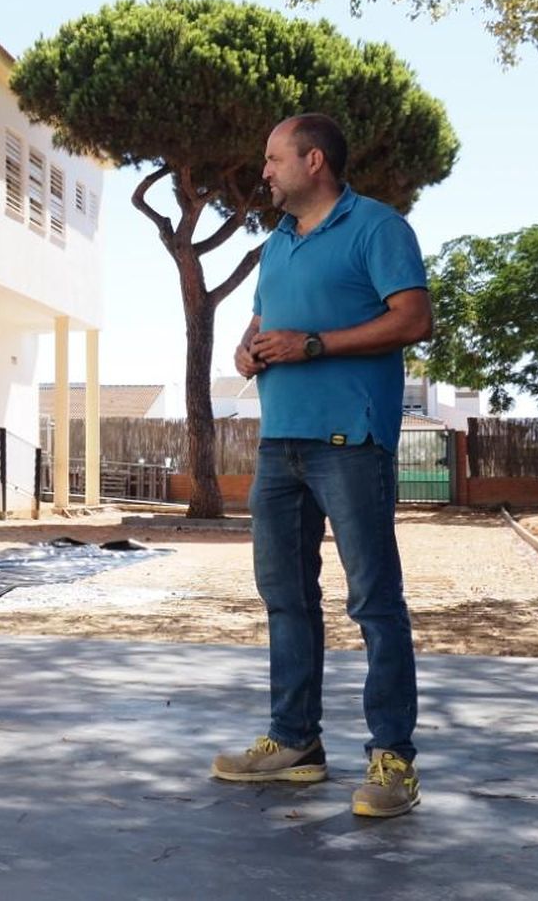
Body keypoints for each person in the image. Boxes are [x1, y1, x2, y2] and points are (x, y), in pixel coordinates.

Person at [212, 114, 432, 818]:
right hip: (280, 445)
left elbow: (412, 319)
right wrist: (246, 352)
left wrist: (315, 345)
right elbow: (256, 326)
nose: (264, 172)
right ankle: (295, 742)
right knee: (285, 598)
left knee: (373, 601)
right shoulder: (275, 243)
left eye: (274, 160)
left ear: (313, 161)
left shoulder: (377, 227)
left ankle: (392, 760)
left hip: (351, 442)